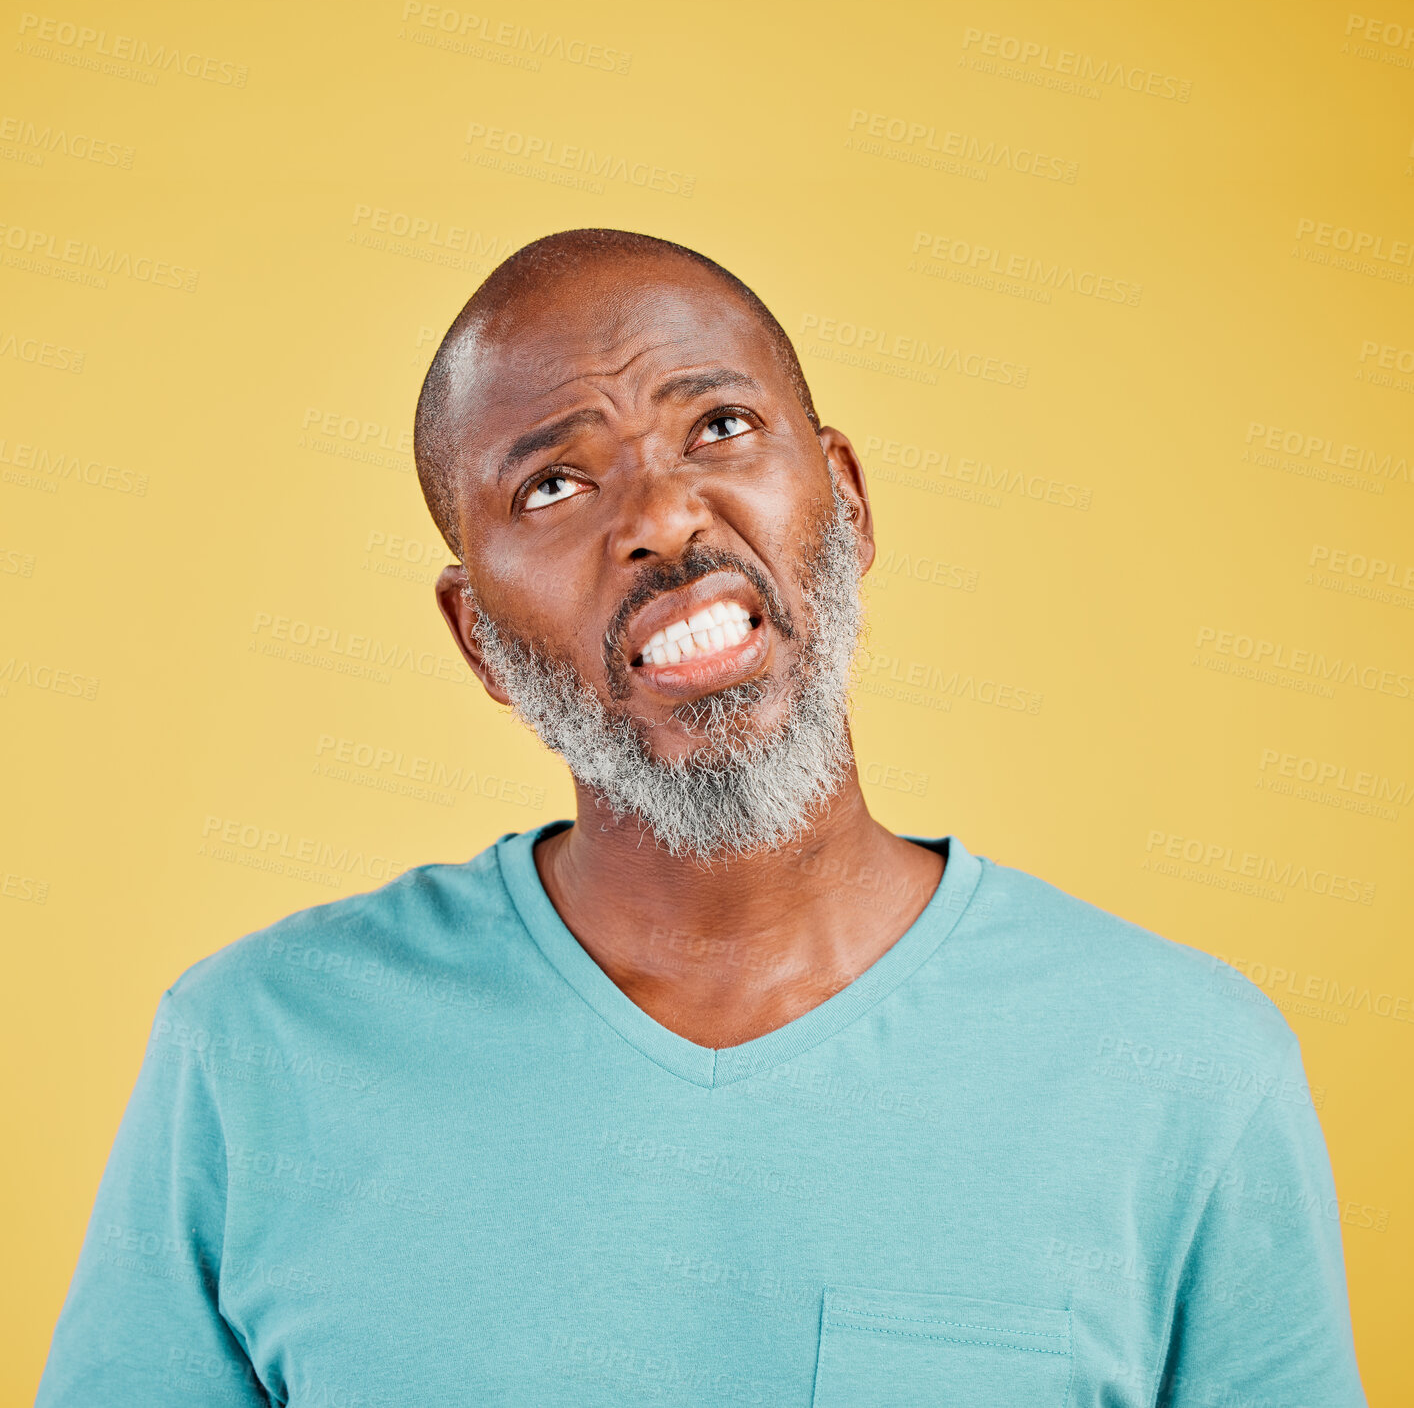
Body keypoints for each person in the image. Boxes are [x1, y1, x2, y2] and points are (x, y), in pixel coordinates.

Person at [36, 229, 1367, 1406]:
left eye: (718, 427)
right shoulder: (255, 1051)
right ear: (479, 639)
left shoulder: (1182, 1065)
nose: (664, 516)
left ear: (843, 500)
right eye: (551, 484)